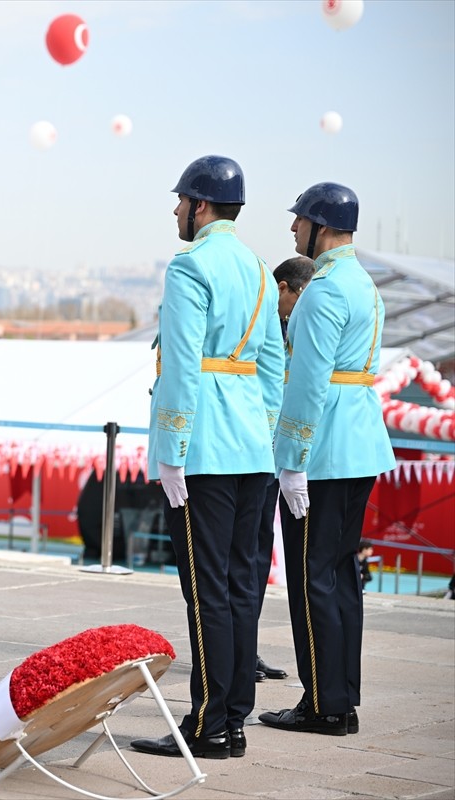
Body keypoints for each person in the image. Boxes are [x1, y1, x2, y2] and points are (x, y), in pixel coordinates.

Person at [131, 156, 283, 761]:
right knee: (242, 587)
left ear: (200, 206)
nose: (175, 211)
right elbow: (273, 368)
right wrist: (267, 438)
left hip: (206, 449)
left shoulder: (190, 266)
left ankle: (207, 724)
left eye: (181, 201)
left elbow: (182, 367)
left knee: (205, 591)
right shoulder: (259, 269)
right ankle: (234, 720)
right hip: (251, 447)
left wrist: (170, 451)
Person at [260, 183, 395, 737]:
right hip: (360, 440)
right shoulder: (365, 284)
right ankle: (342, 695)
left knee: (312, 576)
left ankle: (321, 704)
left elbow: (308, 383)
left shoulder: (323, 289)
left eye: (299, 221)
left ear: (319, 226)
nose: (293, 230)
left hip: (325, 449)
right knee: (340, 575)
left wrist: (291, 459)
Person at [253, 255, 315, 683]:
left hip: (280, 453)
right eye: (297, 298)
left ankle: (246, 650)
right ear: (282, 288)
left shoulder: (294, 328)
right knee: (245, 555)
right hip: (255, 449)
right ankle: (240, 650)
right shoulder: (264, 325)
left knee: (258, 553)